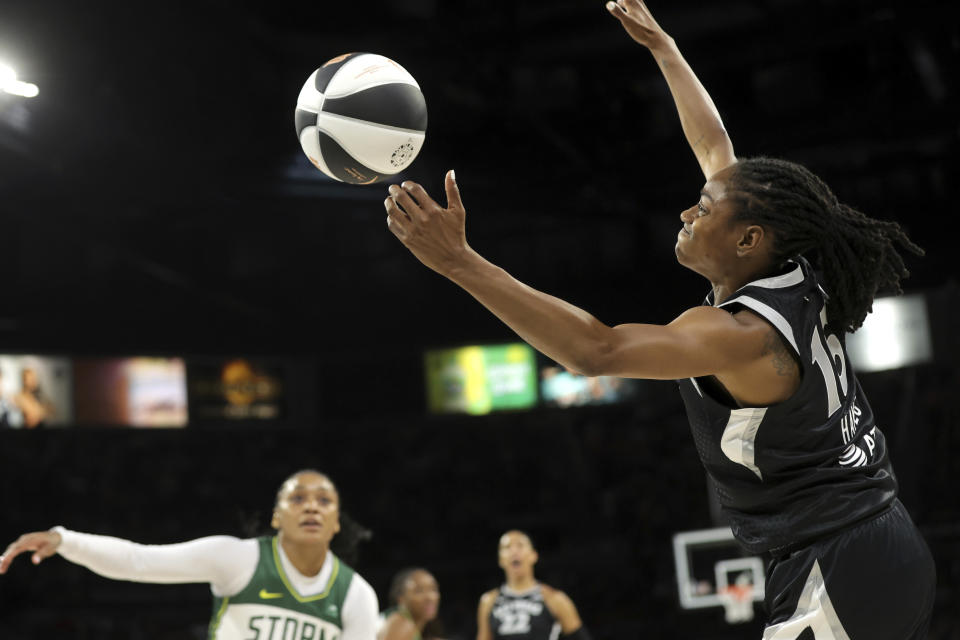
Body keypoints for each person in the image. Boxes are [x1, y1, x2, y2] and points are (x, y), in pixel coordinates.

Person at [382, 1, 935, 637]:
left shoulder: (740, 335)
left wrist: (460, 263)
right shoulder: (792, 266)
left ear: (748, 240)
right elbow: (714, 145)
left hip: (840, 561)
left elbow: (598, 352)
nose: (686, 214)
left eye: (703, 210)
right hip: (879, 546)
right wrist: (664, 48)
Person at [0, 469, 379, 639]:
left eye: (324, 501)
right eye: (298, 498)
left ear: (336, 523)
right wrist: (66, 541)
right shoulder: (238, 559)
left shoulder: (356, 595)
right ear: (277, 517)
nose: (311, 507)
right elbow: (140, 560)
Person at [476, 531, 588, 640]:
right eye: (507, 547)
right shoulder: (489, 601)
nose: (514, 551)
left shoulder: (554, 598)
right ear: (500, 560)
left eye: (520, 545)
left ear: (534, 555)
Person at [378, 567, 442, 640]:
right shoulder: (403, 624)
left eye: (433, 589)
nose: (429, 597)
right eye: (419, 591)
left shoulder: (399, 621)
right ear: (401, 599)